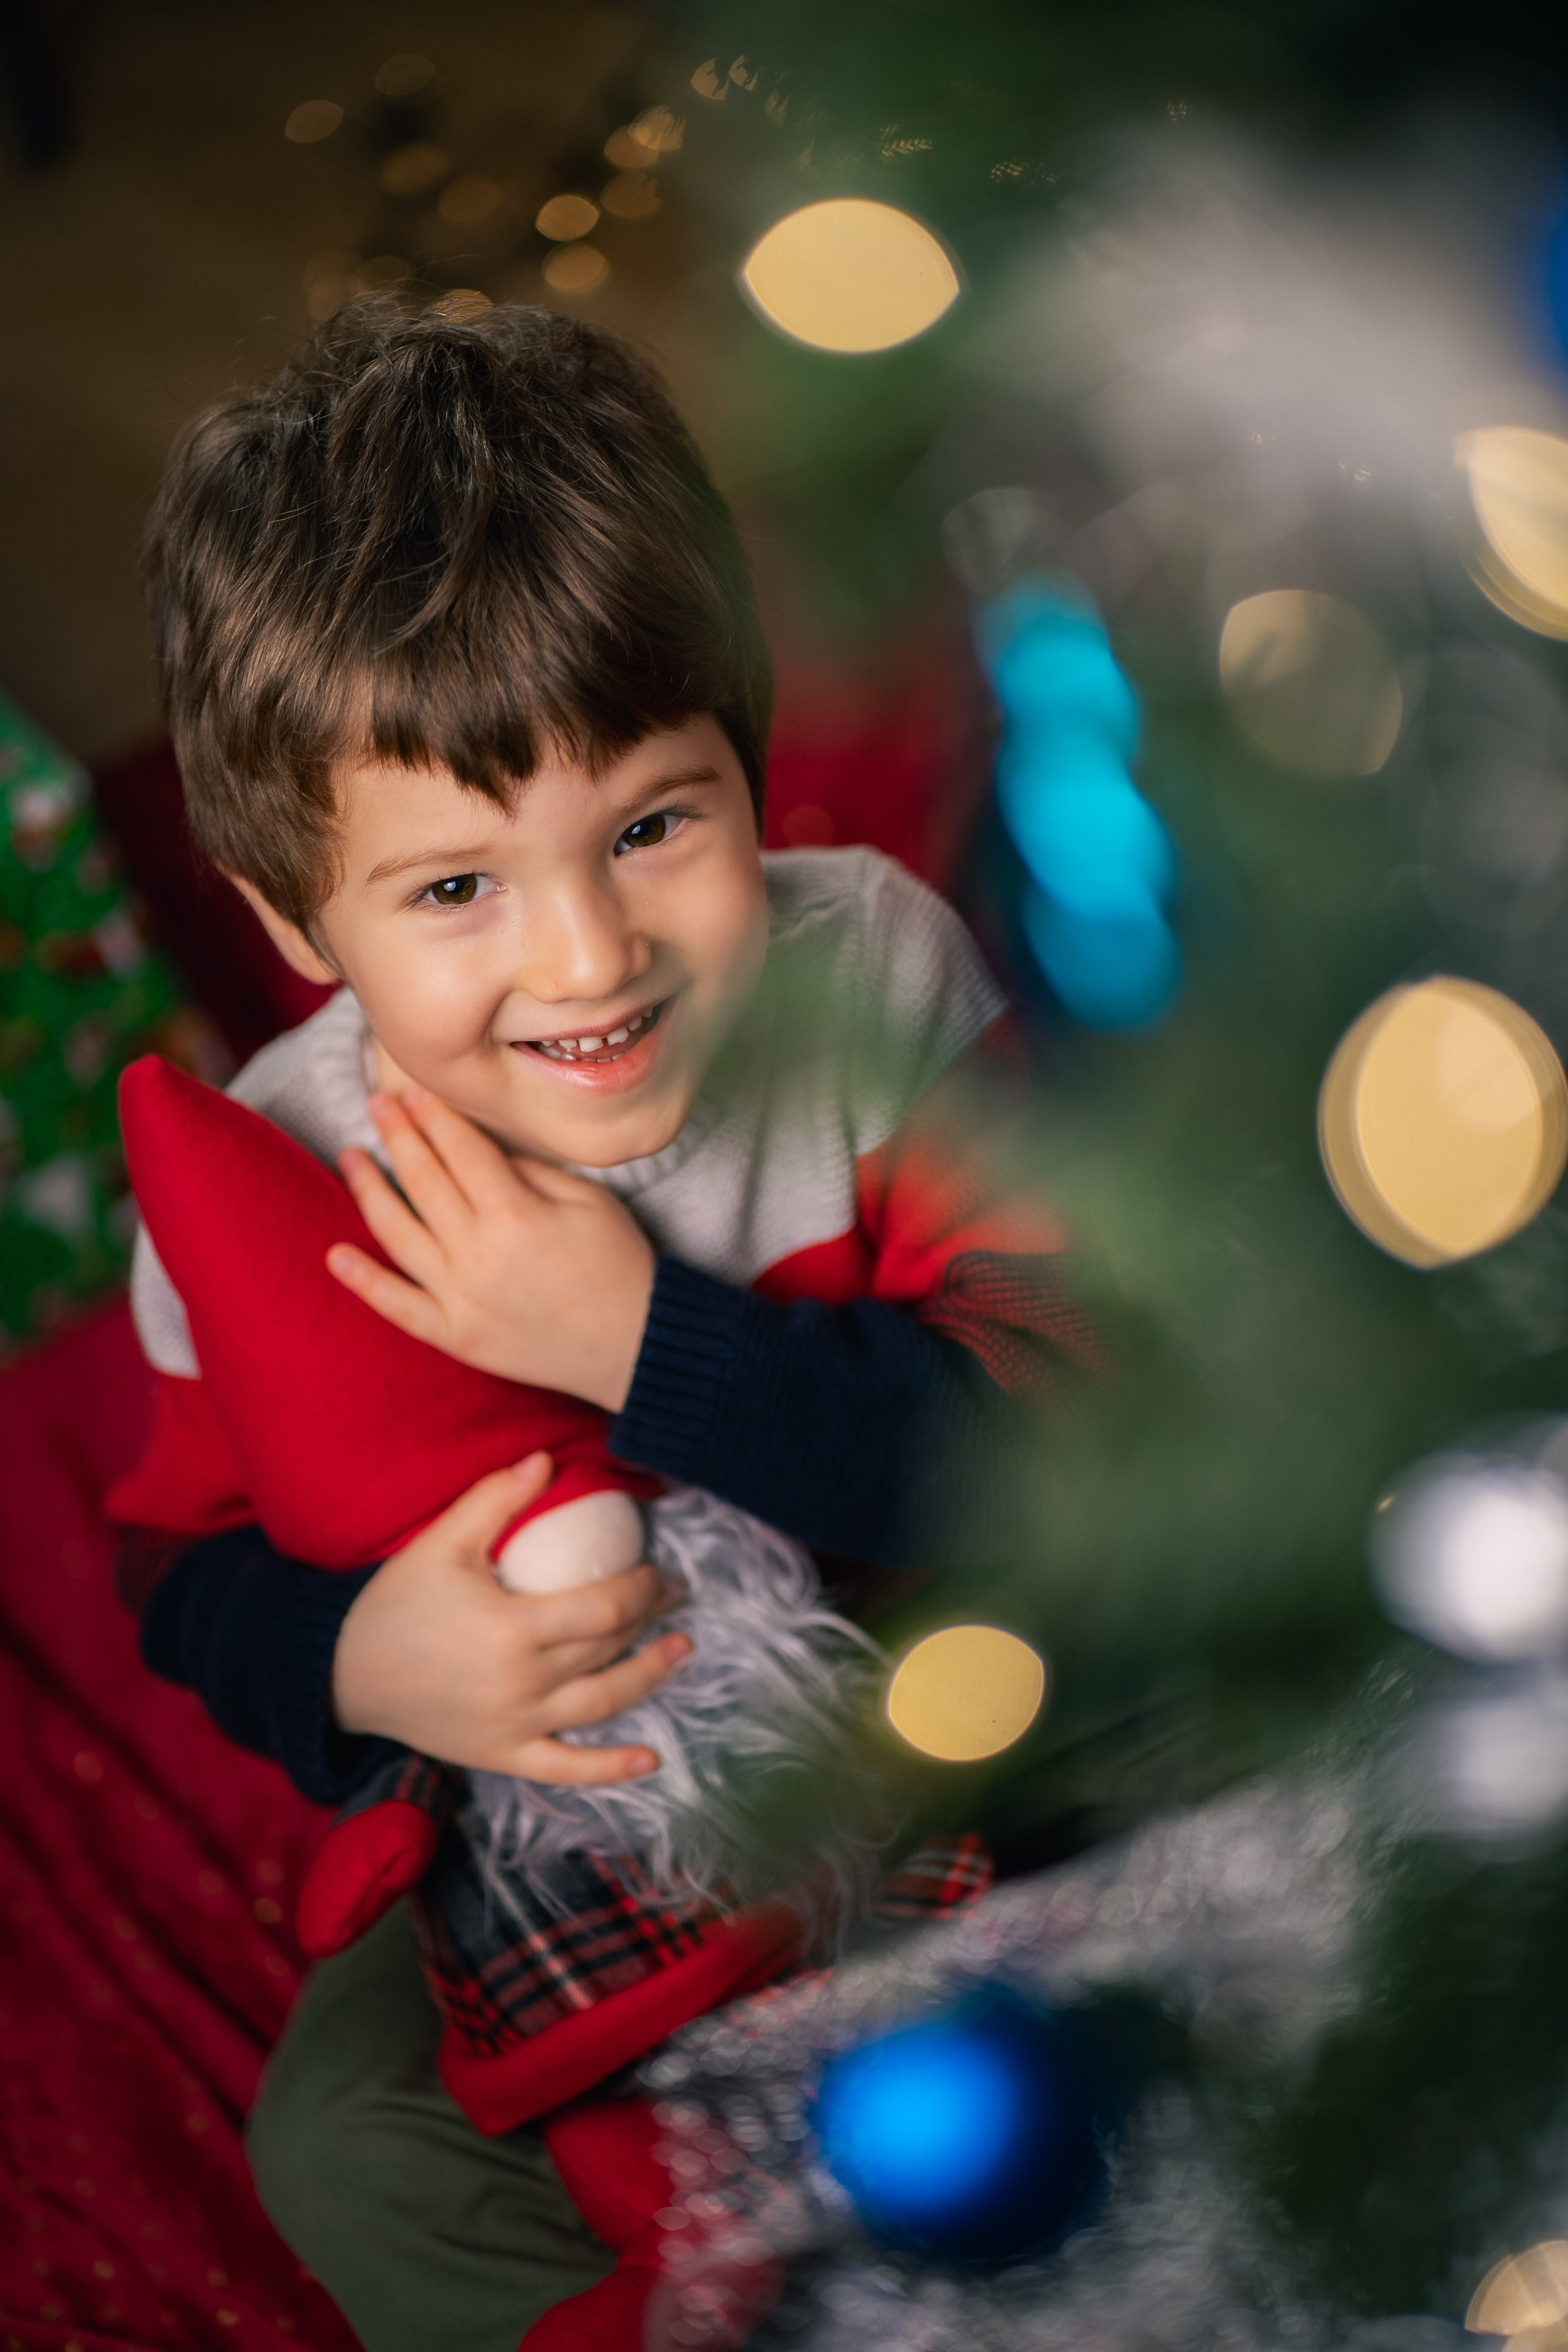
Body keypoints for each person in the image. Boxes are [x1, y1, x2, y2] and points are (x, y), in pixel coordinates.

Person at [115, 298, 1090, 2352]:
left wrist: (648, 1341)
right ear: (298, 925)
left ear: (749, 763)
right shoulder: (267, 1178)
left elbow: (1049, 1443)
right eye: (455, 891)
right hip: (553, 1832)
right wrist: (367, 1660)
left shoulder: (869, 988)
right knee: (345, 2143)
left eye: (653, 825)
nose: (588, 954)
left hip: (957, 1692)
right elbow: (175, 1571)